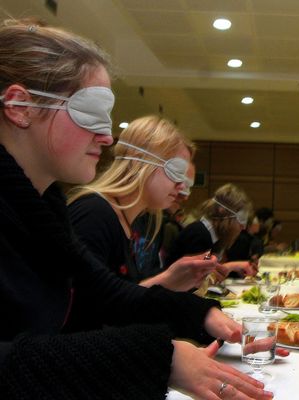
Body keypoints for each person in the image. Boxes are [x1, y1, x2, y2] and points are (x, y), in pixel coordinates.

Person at [0, 18, 275, 399]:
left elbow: (108, 292)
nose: (107, 136)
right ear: (20, 107)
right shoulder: (83, 212)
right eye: (89, 112)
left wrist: (199, 315)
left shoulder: (45, 208)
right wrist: (158, 357)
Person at [68, 115, 221, 291]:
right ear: (141, 161)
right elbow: (88, 307)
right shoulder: (93, 214)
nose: (181, 187)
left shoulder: (134, 221)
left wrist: (176, 280)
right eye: (176, 171)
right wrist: (166, 280)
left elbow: (120, 294)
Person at [165, 183, 257, 278]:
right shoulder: (199, 235)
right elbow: (193, 281)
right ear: (223, 213)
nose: (243, 227)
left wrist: (232, 267)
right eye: (241, 219)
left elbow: (205, 273)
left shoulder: (211, 235)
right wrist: (230, 266)